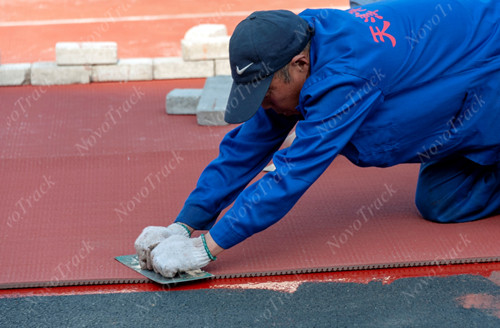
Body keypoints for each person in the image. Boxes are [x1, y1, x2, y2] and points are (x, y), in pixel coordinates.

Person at [135, 0, 500, 277]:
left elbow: (291, 174)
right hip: (468, 75)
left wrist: (205, 249)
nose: (263, 104)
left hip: (490, 56)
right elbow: (246, 147)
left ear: (299, 65)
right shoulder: (290, 42)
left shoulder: (346, 74)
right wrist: (183, 224)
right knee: (442, 201)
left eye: (265, 93)